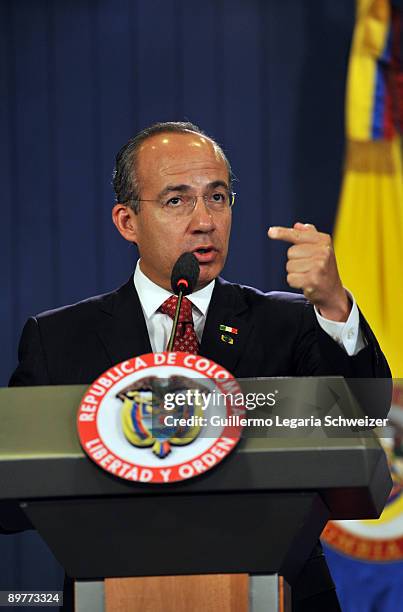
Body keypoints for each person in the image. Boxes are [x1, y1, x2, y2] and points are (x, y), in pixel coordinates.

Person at [9, 121, 390, 611]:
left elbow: (363, 417)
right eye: (176, 200)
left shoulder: (289, 322)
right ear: (127, 222)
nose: (204, 220)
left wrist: (335, 306)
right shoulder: (60, 339)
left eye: (217, 197)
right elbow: (11, 499)